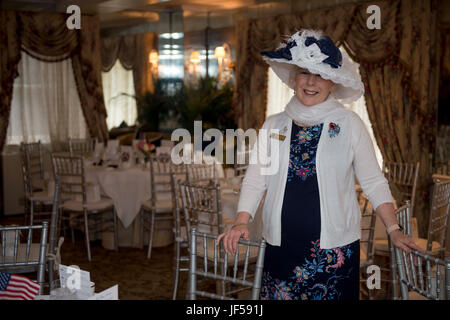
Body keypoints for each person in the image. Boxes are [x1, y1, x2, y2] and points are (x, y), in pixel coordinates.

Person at [216, 29, 422, 300]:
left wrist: (394, 230)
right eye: (304, 72)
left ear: (333, 82)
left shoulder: (349, 124)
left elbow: (373, 181)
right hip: (281, 248)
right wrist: (242, 220)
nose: (311, 82)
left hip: (334, 251)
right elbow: (256, 178)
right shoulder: (274, 124)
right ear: (293, 78)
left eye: (321, 74)